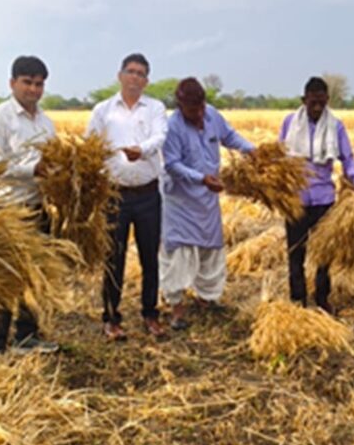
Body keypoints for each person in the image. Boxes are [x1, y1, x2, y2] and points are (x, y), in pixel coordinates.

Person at [0, 55, 58, 353]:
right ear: (12, 83)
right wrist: (31, 170)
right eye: (27, 82)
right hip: (6, 208)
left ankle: (28, 335)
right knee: (4, 278)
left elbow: (52, 161)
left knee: (34, 274)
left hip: (37, 207)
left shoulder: (46, 122)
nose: (33, 90)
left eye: (39, 84)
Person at [160, 78, 254, 330]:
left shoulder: (212, 115)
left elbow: (230, 136)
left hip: (208, 198)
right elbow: (172, 164)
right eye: (193, 110)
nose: (199, 114)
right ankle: (176, 307)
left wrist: (253, 151)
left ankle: (207, 298)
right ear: (181, 106)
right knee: (179, 253)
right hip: (181, 200)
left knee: (210, 249)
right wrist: (201, 178)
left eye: (201, 107)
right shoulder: (172, 127)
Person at [86, 53, 168, 341]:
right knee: (113, 258)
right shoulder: (103, 110)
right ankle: (111, 318)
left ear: (147, 80)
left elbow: (160, 137)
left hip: (148, 195)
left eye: (141, 73)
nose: (135, 77)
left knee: (150, 258)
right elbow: (91, 147)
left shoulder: (155, 108)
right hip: (114, 196)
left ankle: (150, 314)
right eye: (130, 71)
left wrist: (141, 150)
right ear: (120, 75)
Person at [279, 76, 354, 314]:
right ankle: (298, 299)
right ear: (303, 100)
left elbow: (347, 159)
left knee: (324, 254)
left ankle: (322, 298)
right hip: (295, 200)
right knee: (296, 252)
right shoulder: (290, 123)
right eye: (312, 102)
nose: (317, 108)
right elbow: (279, 156)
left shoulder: (335, 127)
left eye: (321, 102)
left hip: (324, 199)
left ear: (327, 100)